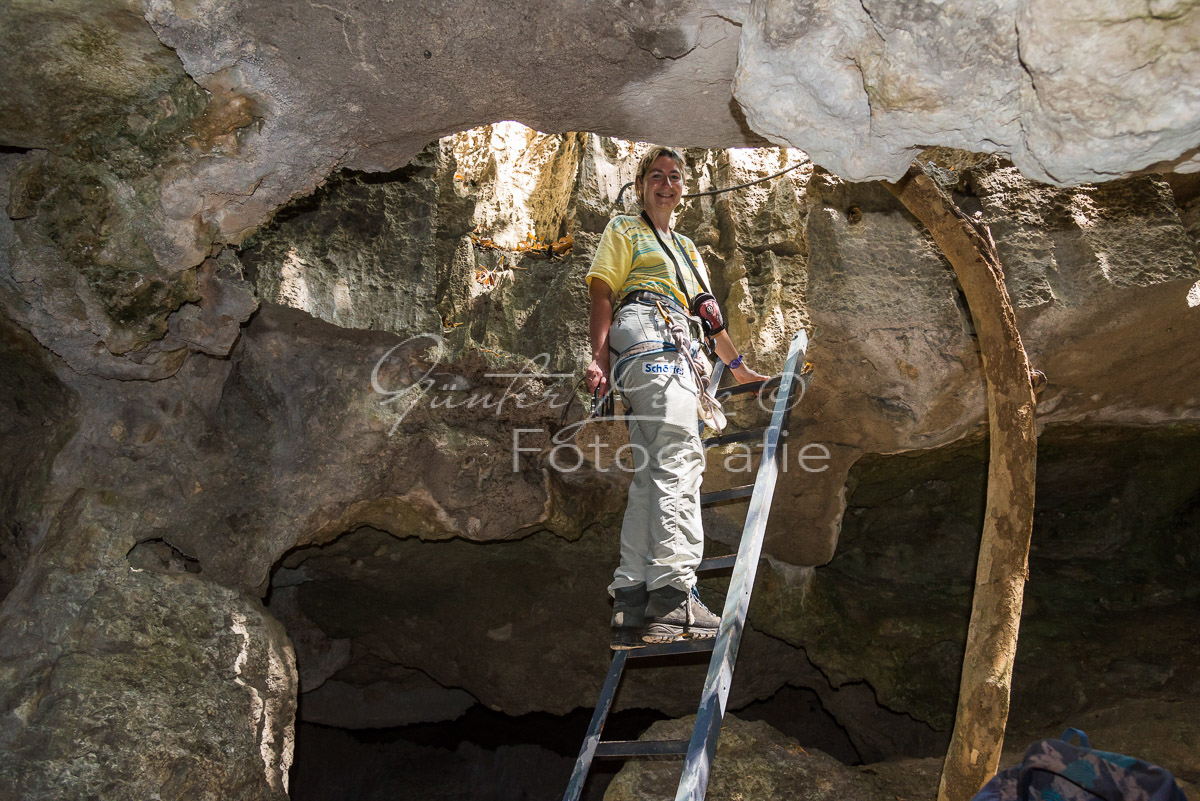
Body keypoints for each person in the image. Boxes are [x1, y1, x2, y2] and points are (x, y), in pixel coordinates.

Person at [584, 146, 768, 649]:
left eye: (675, 176)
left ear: (683, 187)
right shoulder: (624, 230)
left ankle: (632, 603)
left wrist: (738, 368)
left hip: (679, 343)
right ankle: (673, 596)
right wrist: (598, 359)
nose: (667, 183)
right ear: (641, 183)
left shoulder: (688, 249)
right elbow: (602, 292)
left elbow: (709, 318)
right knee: (681, 459)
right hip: (649, 334)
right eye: (656, 175)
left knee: (651, 474)